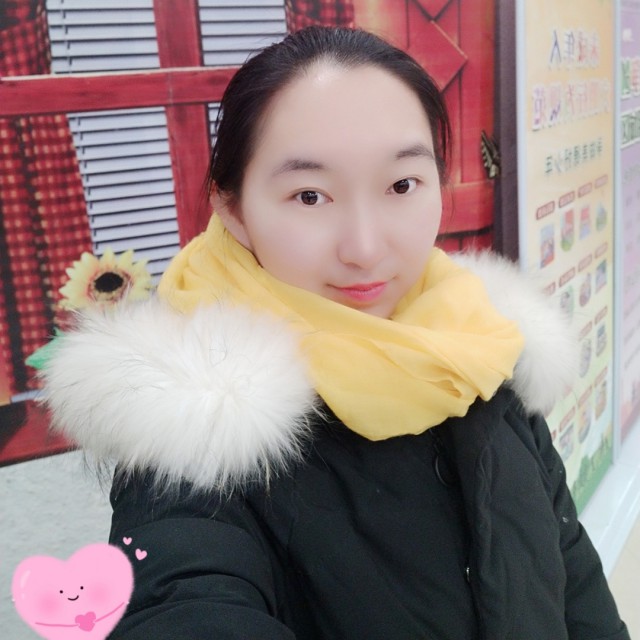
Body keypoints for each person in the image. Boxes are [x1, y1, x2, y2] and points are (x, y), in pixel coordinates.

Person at [42, 26, 629, 640]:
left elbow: (574, 581)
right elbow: (181, 600)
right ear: (232, 208)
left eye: (401, 185)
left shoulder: (479, 346)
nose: (365, 249)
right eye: (309, 196)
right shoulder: (195, 432)